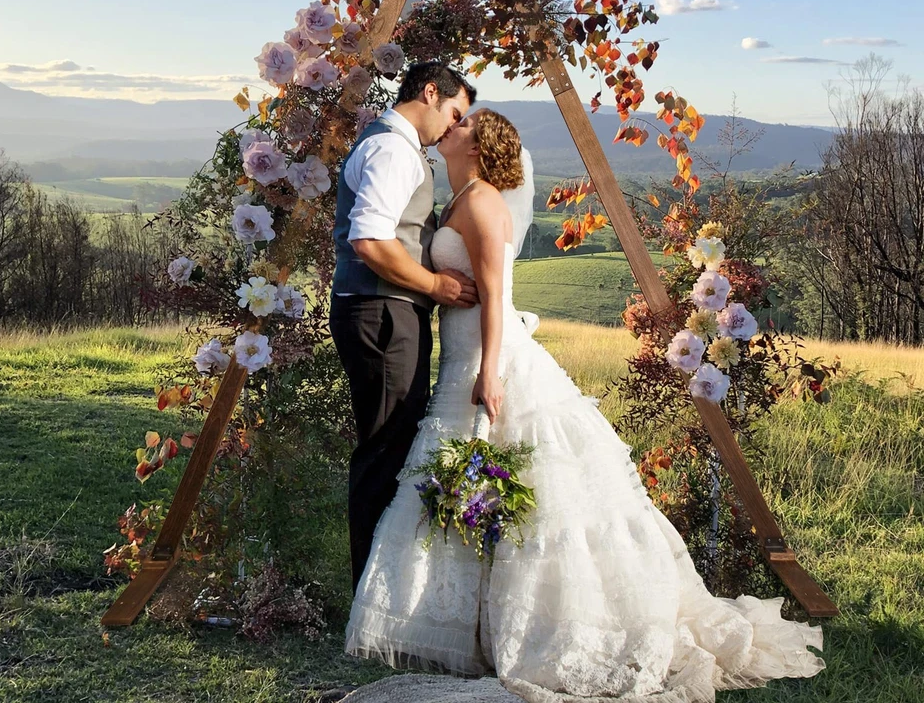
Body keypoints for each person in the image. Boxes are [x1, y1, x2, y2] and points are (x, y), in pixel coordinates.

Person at [345, 109, 825, 702]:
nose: (452, 126)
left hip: (487, 360)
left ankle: (546, 624)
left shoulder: (483, 202)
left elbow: (496, 296)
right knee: (465, 484)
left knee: (519, 489)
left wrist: (490, 371)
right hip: (461, 356)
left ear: (480, 144)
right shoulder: (459, 196)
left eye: (464, 125)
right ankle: (465, 628)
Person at [330, 62, 479, 593]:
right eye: (455, 113)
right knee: (386, 448)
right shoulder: (394, 150)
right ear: (431, 92)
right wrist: (436, 286)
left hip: (380, 310)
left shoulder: (392, 145)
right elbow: (369, 241)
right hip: (382, 312)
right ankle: (372, 595)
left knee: (390, 442)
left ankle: (379, 588)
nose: (453, 128)